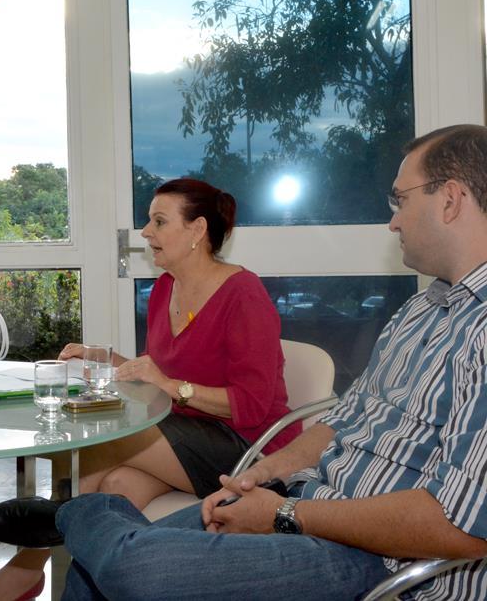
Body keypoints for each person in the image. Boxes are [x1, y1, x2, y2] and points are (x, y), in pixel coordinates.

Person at [54, 124, 487, 600]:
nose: (393, 223)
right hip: (309, 504)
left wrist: (283, 515)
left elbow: (462, 525)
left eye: (399, 201)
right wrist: (262, 476)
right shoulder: (420, 311)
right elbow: (341, 422)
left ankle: (60, 516)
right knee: (97, 570)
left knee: (135, 568)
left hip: (375, 556)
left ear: (450, 199)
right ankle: (87, 522)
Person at [0, 179, 299, 601]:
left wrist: (169, 385)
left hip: (251, 449)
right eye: (148, 221)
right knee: (117, 488)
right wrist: (102, 358)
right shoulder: (165, 289)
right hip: (180, 434)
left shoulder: (243, 295)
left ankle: (38, 547)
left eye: (159, 222)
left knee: (108, 437)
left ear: (197, 231)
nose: (145, 232)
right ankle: (101, 573)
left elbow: (248, 405)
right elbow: (159, 372)